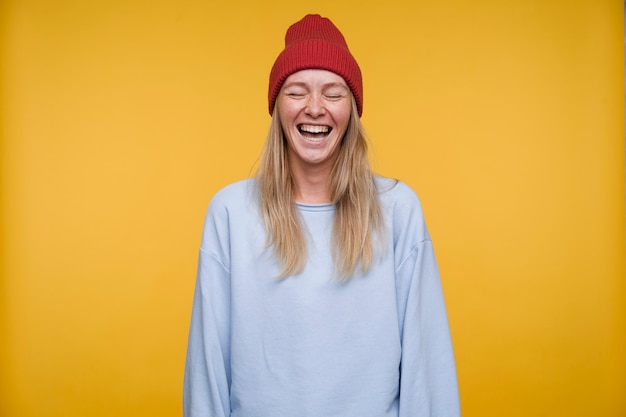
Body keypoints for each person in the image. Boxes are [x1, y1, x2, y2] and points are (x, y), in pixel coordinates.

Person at [183, 14, 460, 417]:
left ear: (353, 109)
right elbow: (206, 373)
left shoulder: (398, 210)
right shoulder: (231, 214)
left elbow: (427, 370)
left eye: (333, 93)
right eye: (297, 92)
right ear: (276, 106)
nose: (315, 109)